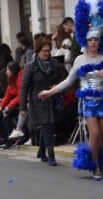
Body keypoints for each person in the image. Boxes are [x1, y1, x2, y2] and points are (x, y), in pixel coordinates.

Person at [40, 0, 103, 179]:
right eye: (90, 39)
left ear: (100, 41)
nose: (93, 43)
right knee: (95, 133)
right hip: (88, 103)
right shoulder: (80, 60)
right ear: (85, 40)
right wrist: (49, 92)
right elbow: (68, 81)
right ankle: (95, 166)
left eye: (96, 39)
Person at [19, 37, 68, 166]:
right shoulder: (31, 66)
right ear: (38, 51)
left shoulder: (55, 64)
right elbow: (24, 87)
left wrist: (56, 85)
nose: (46, 53)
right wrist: (22, 106)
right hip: (38, 101)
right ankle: (51, 155)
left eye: (48, 50)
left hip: (53, 99)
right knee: (47, 125)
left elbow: (65, 78)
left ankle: (41, 150)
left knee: (49, 125)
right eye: (43, 51)